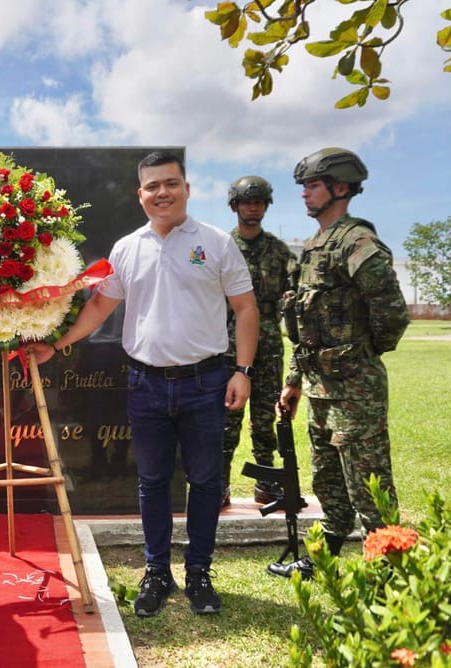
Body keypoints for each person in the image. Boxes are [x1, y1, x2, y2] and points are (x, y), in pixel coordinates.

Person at [31, 151, 258, 618]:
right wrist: (58, 344)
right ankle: (157, 571)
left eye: (170, 183)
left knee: (205, 480)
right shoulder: (126, 248)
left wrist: (243, 370)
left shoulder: (216, 243)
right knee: (152, 482)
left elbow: (245, 308)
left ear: (187, 189)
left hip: (206, 383)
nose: (162, 193)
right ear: (140, 195)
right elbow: (99, 308)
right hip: (146, 384)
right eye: (152, 186)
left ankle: (198, 572)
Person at [274, 147, 410, 579]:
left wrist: (362, 354)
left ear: (341, 187)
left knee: (369, 485)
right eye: (304, 187)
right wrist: (294, 380)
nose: (305, 195)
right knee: (327, 480)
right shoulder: (313, 248)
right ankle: (323, 558)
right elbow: (302, 323)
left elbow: (392, 312)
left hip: (355, 389)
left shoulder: (358, 242)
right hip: (318, 387)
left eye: (312, 186)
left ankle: (392, 575)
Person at [221, 176, 298, 507]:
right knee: (225, 421)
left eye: (259, 201)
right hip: (227, 344)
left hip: (268, 345)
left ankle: (266, 482)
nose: (253, 206)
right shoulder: (222, 247)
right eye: (246, 201)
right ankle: (218, 485)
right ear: (234, 205)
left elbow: (294, 299)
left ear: (267, 205)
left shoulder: (280, 252)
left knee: (265, 419)